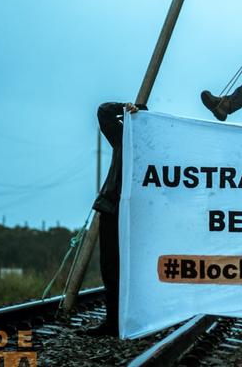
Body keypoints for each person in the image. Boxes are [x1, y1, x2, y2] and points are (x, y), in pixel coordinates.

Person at [83, 101, 146, 337]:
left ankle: (131, 320)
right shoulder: (123, 138)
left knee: (135, 268)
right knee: (110, 267)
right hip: (112, 208)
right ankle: (113, 322)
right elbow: (104, 110)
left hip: (137, 214)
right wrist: (129, 107)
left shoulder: (155, 147)